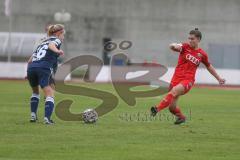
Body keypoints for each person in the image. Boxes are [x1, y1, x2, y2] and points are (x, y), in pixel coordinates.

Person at [150, 28, 226, 125]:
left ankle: (156, 109)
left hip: (187, 81)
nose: (190, 40)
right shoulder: (185, 47)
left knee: (174, 92)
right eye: (189, 38)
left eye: (192, 39)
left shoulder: (202, 54)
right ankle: (181, 117)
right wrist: (173, 45)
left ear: (198, 39)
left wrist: (219, 78)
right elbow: (174, 47)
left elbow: (208, 66)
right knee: (172, 108)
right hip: (176, 79)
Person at [27, 24, 65, 124]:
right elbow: (51, 45)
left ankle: (33, 115)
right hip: (44, 67)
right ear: (58, 33)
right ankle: (47, 119)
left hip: (32, 67)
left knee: (35, 92)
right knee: (50, 94)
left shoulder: (41, 43)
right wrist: (58, 50)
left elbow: (30, 60)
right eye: (63, 35)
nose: (63, 37)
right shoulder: (56, 40)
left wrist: (30, 72)